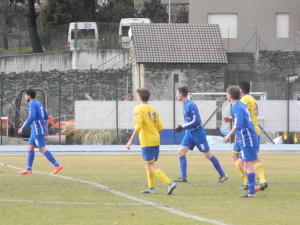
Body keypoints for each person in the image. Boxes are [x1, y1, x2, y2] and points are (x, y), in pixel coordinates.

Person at [126, 88, 176, 195]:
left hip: (147, 141)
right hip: (156, 140)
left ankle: (170, 183)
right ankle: (151, 188)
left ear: (139, 98)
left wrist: (130, 141)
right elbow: (160, 127)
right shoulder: (153, 110)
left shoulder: (138, 109)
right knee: (149, 164)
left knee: (151, 165)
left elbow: (138, 126)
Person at [174, 86, 227, 183]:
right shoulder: (185, 104)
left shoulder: (191, 105)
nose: (176, 95)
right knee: (181, 152)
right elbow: (189, 121)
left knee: (208, 155)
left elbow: (197, 121)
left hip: (198, 134)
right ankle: (183, 177)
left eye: (177, 93)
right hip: (189, 133)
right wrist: (185, 128)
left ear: (181, 94)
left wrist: (183, 127)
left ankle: (223, 175)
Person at [18, 89, 63, 175]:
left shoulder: (32, 104)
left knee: (42, 149)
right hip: (36, 129)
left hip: (37, 129)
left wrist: (23, 128)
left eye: (25, 95)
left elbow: (31, 117)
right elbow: (46, 116)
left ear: (29, 96)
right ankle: (29, 169)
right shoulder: (38, 103)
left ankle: (57, 165)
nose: (25, 97)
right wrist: (45, 128)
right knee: (30, 147)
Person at [233, 81, 268, 191]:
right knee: (247, 158)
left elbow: (243, 118)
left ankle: (249, 182)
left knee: (245, 158)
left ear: (241, 90)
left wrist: (236, 133)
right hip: (253, 131)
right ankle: (259, 180)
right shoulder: (252, 99)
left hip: (247, 133)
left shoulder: (243, 101)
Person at [224, 86, 258, 198]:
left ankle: (252, 191)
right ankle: (253, 187)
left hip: (247, 137)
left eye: (227, 93)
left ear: (230, 95)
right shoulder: (238, 105)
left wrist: (228, 135)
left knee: (248, 163)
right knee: (244, 162)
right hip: (244, 137)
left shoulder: (237, 107)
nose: (226, 95)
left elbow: (238, 125)